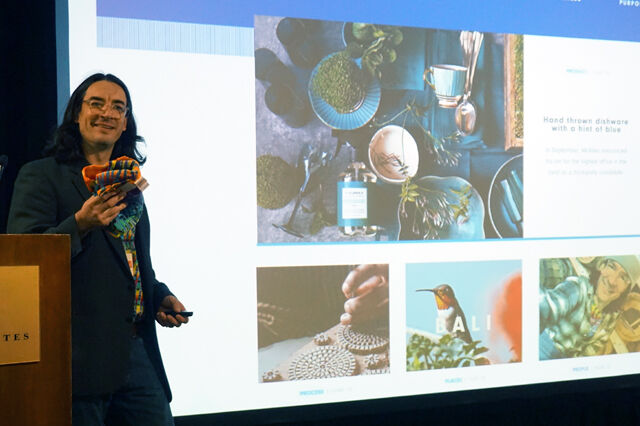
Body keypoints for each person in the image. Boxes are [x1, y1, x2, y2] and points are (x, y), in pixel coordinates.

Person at [7, 73, 188, 425]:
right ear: (77, 114)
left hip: (136, 350)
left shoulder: (127, 182)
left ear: (124, 125)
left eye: (118, 107)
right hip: (78, 359)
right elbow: (24, 260)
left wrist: (157, 296)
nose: (107, 112)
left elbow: (130, 262)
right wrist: (79, 224)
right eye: (97, 103)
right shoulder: (41, 176)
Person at [539, 255, 639, 360]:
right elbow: (545, 309)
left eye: (623, 277)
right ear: (602, 267)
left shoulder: (610, 319)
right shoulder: (579, 288)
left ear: (626, 290)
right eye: (611, 267)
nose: (612, 281)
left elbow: (589, 353)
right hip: (542, 350)